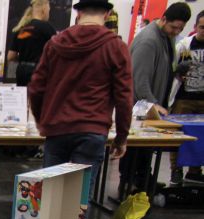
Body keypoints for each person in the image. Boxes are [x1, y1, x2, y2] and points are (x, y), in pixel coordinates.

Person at [28, 0, 132, 187]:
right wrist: (121, 137)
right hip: (92, 130)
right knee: (80, 199)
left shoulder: (54, 44)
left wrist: (41, 120)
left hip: (57, 129)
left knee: (51, 194)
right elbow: (124, 96)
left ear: (78, 13)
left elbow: (36, 87)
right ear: (107, 14)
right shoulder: (116, 47)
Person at [121, 2, 191, 193]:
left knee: (145, 150)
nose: (176, 32)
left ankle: (143, 178)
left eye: (180, 29)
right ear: (164, 19)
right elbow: (139, 79)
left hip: (151, 104)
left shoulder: (166, 37)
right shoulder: (149, 41)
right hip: (141, 107)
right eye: (173, 27)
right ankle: (130, 182)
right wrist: (153, 104)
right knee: (135, 150)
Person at [171, 9, 204, 184]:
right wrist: (178, 71)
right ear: (195, 27)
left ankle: (195, 170)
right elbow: (172, 67)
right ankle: (175, 170)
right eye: (202, 27)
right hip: (184, 98)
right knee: (177, 136)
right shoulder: (184, 45)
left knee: (200, 138)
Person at [8, 0, 55, 86]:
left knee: (23, 94)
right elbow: (56, 51)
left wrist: (24, 58)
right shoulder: (47, 27)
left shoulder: (20, 28)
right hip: (38, 71)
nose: (49, 13)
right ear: (44, 10)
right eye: (49, 10)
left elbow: (11, 56)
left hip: (21, 71)